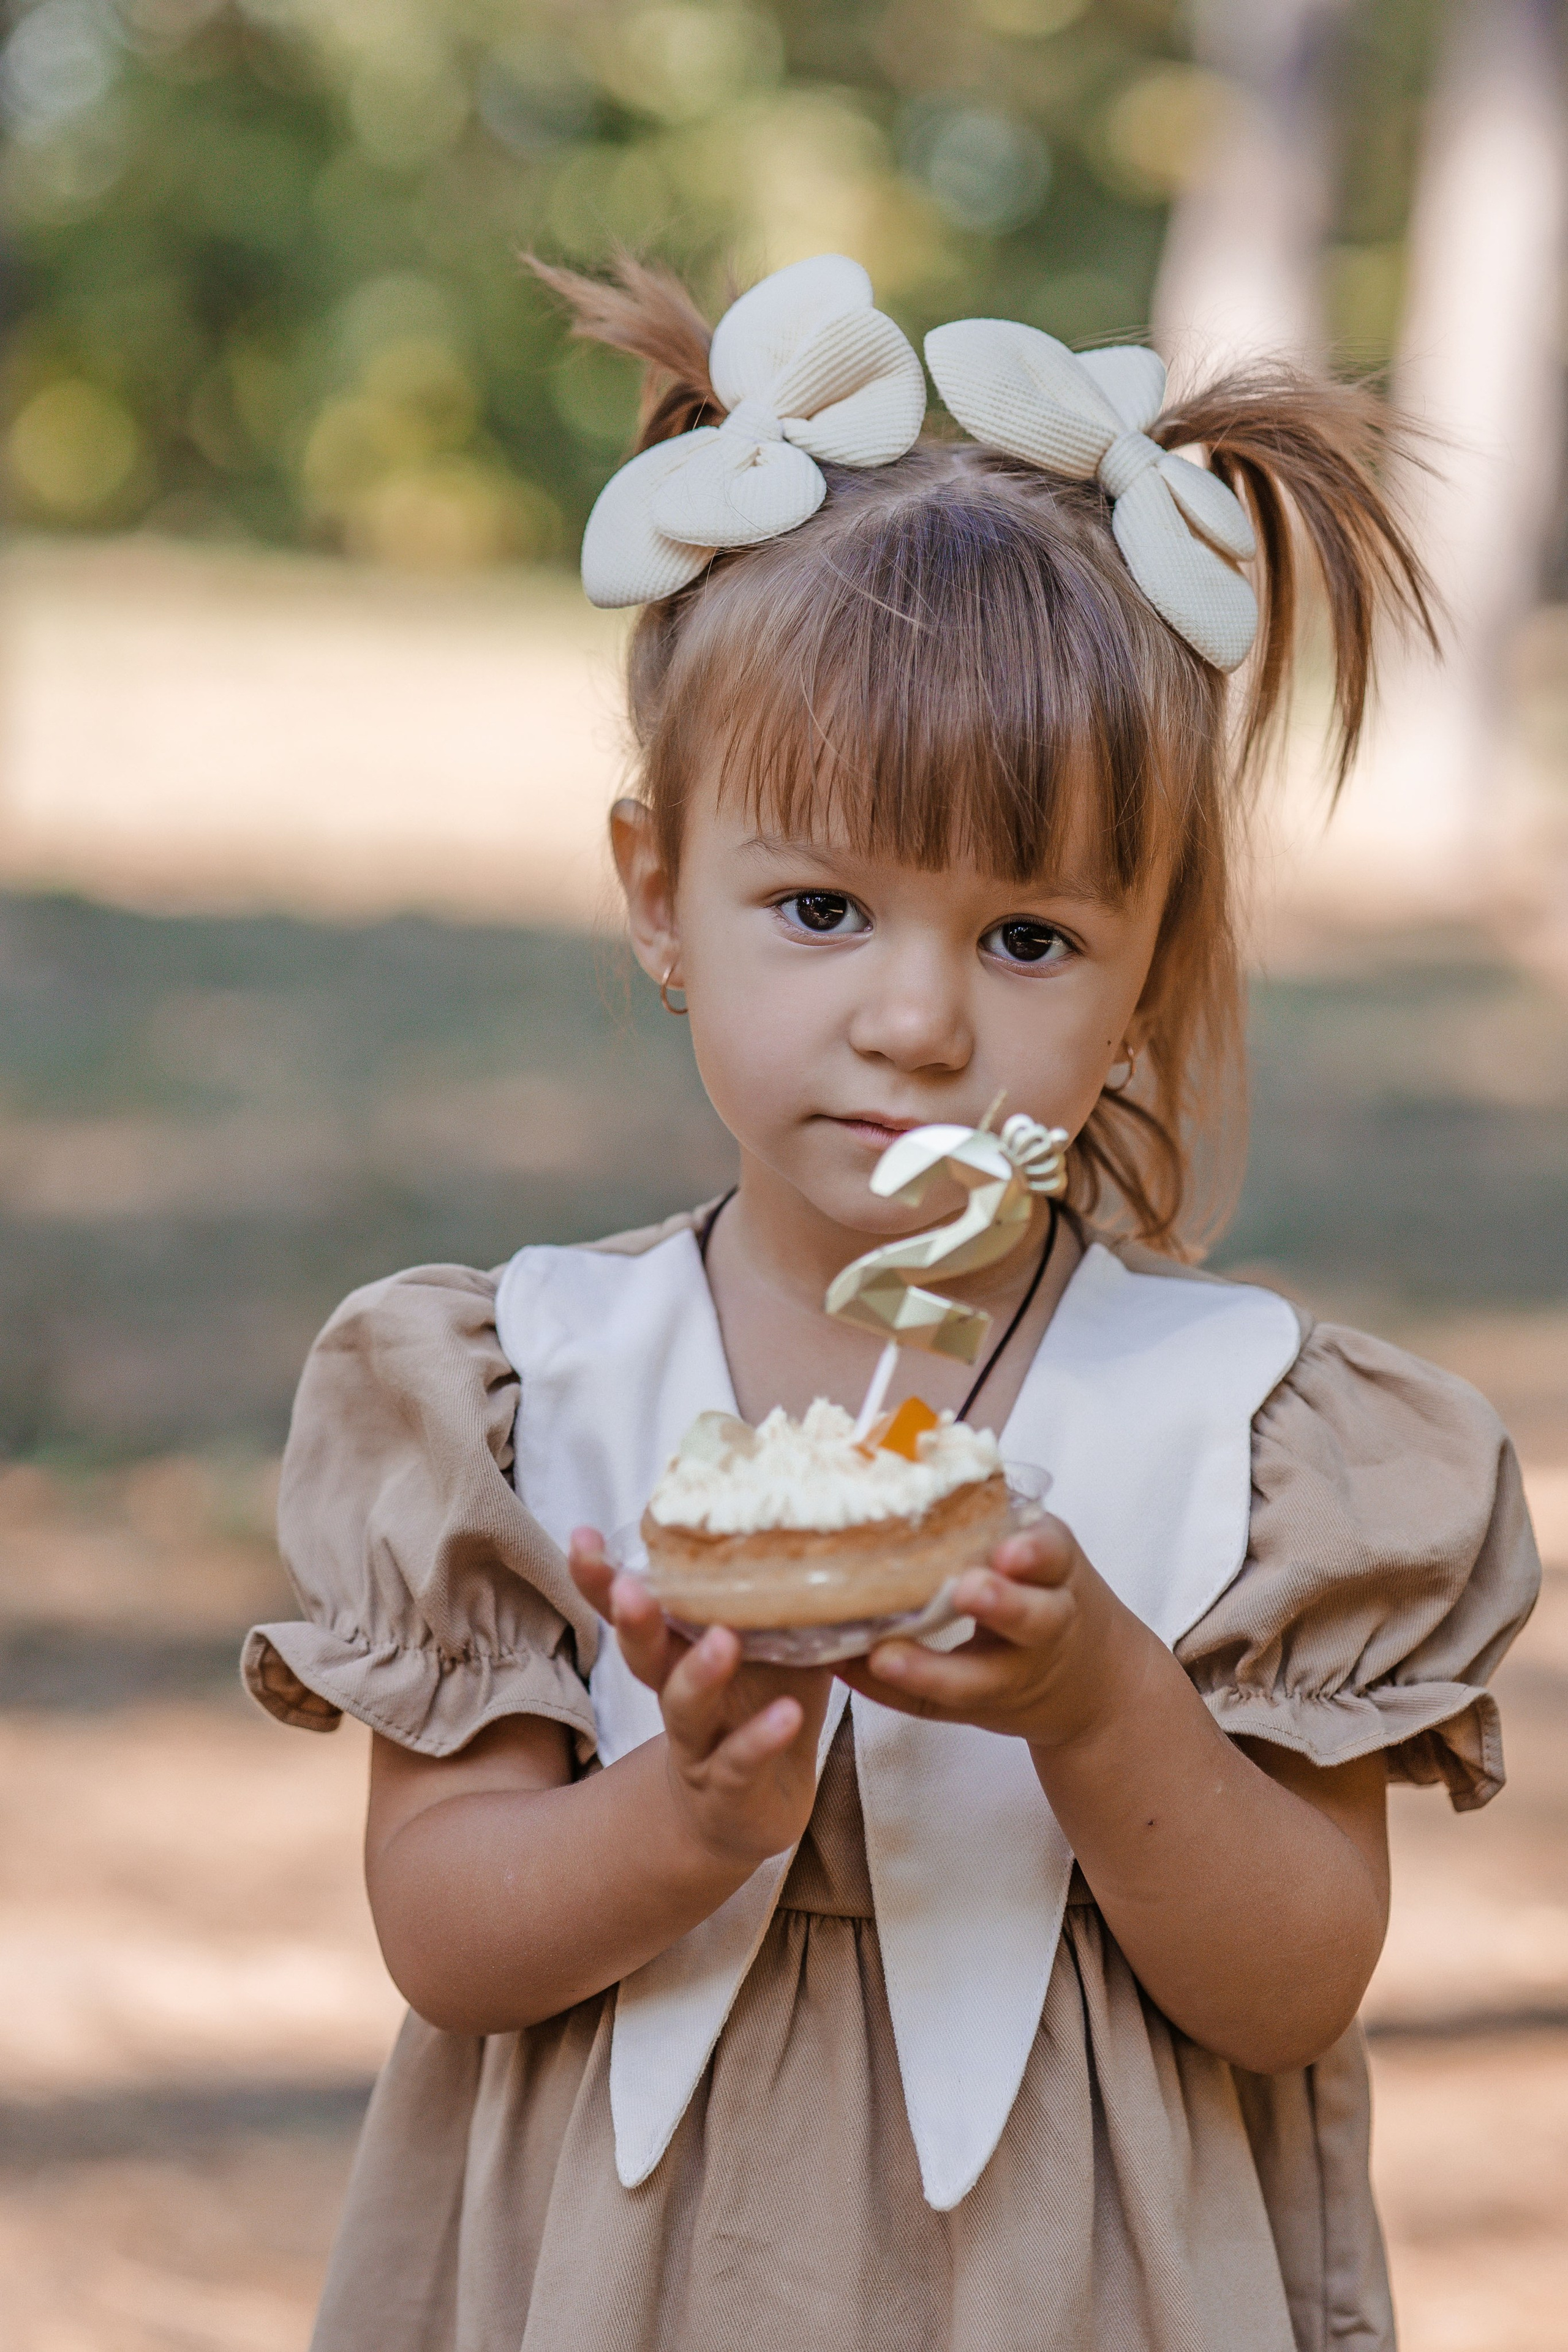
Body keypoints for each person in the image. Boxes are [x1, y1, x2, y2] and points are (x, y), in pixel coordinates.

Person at [244, 254, 1540, 2352]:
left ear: (1151, 963)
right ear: (661, 895)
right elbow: (446, 1936)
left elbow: (1296, 1982)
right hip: (627, 2268)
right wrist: (684, 1813)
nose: (920, 1018)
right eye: (823, 907)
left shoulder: (1250, 1435)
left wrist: (1103, 1703)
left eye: (1029, 936)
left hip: (1069, 2275)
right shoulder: (516, 1391)